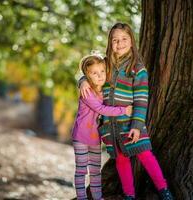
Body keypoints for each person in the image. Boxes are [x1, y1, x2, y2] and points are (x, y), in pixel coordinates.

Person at [79, 23, 173, 200]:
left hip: (130, 123)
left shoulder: (137, 69)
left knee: (145, 154)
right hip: (109, 126)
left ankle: (163, 189)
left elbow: (141, 100)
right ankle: (129, 195)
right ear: (110, 42)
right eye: (115, 40)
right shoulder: (105, 64)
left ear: (132, 41)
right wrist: (83, 80)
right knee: (121, 160)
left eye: (124, 39)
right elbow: (90, 71)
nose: (119, 43)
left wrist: (137, 125)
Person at [72, 54, 133, 200]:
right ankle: (81, 198)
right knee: (81, 170)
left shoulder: (104, 89)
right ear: (87, 75)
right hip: (81, 136)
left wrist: (83, 80)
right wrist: (124, 110)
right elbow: (101, 109)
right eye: (94, 73)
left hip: (95, 137)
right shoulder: (87, 92)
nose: (100, 76)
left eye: (102, 71)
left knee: (95, 171)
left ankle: (98, 198)